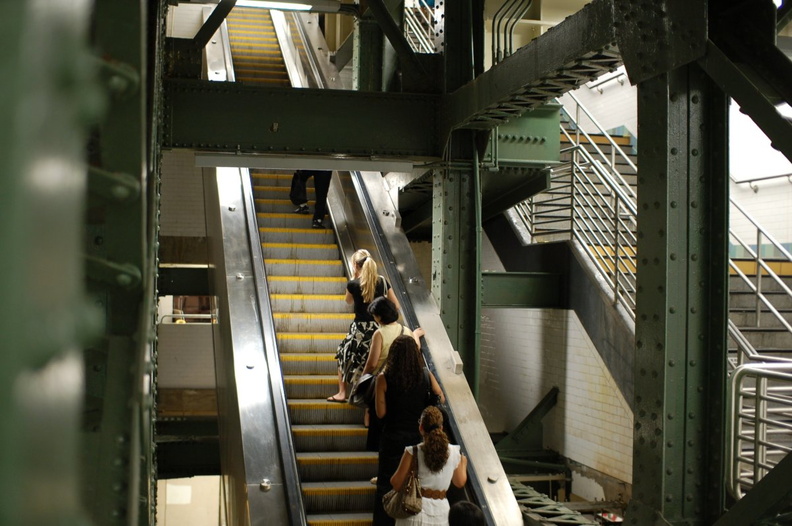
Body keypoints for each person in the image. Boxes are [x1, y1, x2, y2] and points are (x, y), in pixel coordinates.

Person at [372, 336, 445, 525]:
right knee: (414, 483)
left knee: (387, 484)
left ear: (393, 355)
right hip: (417, 440)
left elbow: (381, 413)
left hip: (392, 438)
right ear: (415, 353)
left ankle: (385, 521)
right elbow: (440, 398)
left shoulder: (384, 378)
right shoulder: (425, 375)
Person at [327, 249, 400, 402]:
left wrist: (354, 277)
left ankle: (342, 393)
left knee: (343, 354)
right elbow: (396, 305)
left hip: (359, 330)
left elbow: (348, 301)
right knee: (374, 361)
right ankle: (369, 404)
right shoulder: (382, 282)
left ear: (355, 265)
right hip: (378, 329)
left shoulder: (353, 284)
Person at [389, 406, 467, 526]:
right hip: (441, 514)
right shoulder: (454, 452)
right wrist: (464, 462)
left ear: (421, 428)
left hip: (413, 511)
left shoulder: (412, 452)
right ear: (441, 427)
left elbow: (396, 483)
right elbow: (459, 482)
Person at [363, 296, 425, 448]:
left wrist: (363, 377)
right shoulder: (406, 330)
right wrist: (416, 335)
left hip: (385, 381)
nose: (374, 318)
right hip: (406, 384)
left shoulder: (380, 333)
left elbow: (372, 363)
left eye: (375, 315)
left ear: (380, 316)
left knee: (382, 420)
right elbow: (415, 349)